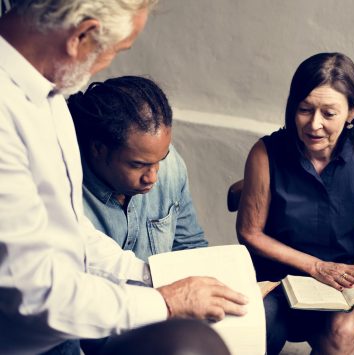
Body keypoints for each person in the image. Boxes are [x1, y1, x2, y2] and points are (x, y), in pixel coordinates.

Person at [0, 1, 247, 354]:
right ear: (81, 35)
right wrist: (165, 302)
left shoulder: (49, 97)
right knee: (191, 345)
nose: (108, 63)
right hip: (26, 341)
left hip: (61, 334)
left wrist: (151, 276)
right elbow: (36, 294)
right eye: (116, 50)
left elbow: (72, 233)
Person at [237, 52, 354, 355]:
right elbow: (249, 232)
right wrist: (315, 266)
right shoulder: (264, 153)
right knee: (257, 324)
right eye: (304, 109)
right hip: (277, 279)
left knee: (346, 329)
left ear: (352, 112)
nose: (314, 124)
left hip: (338, 281)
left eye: (328, 113)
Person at [68, 76, 208, 263]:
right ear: (98, 149)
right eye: (138, 165)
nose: (152, 177)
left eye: (160, 159)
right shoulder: (64, 187)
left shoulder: (171, 165)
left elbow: (190, 248)